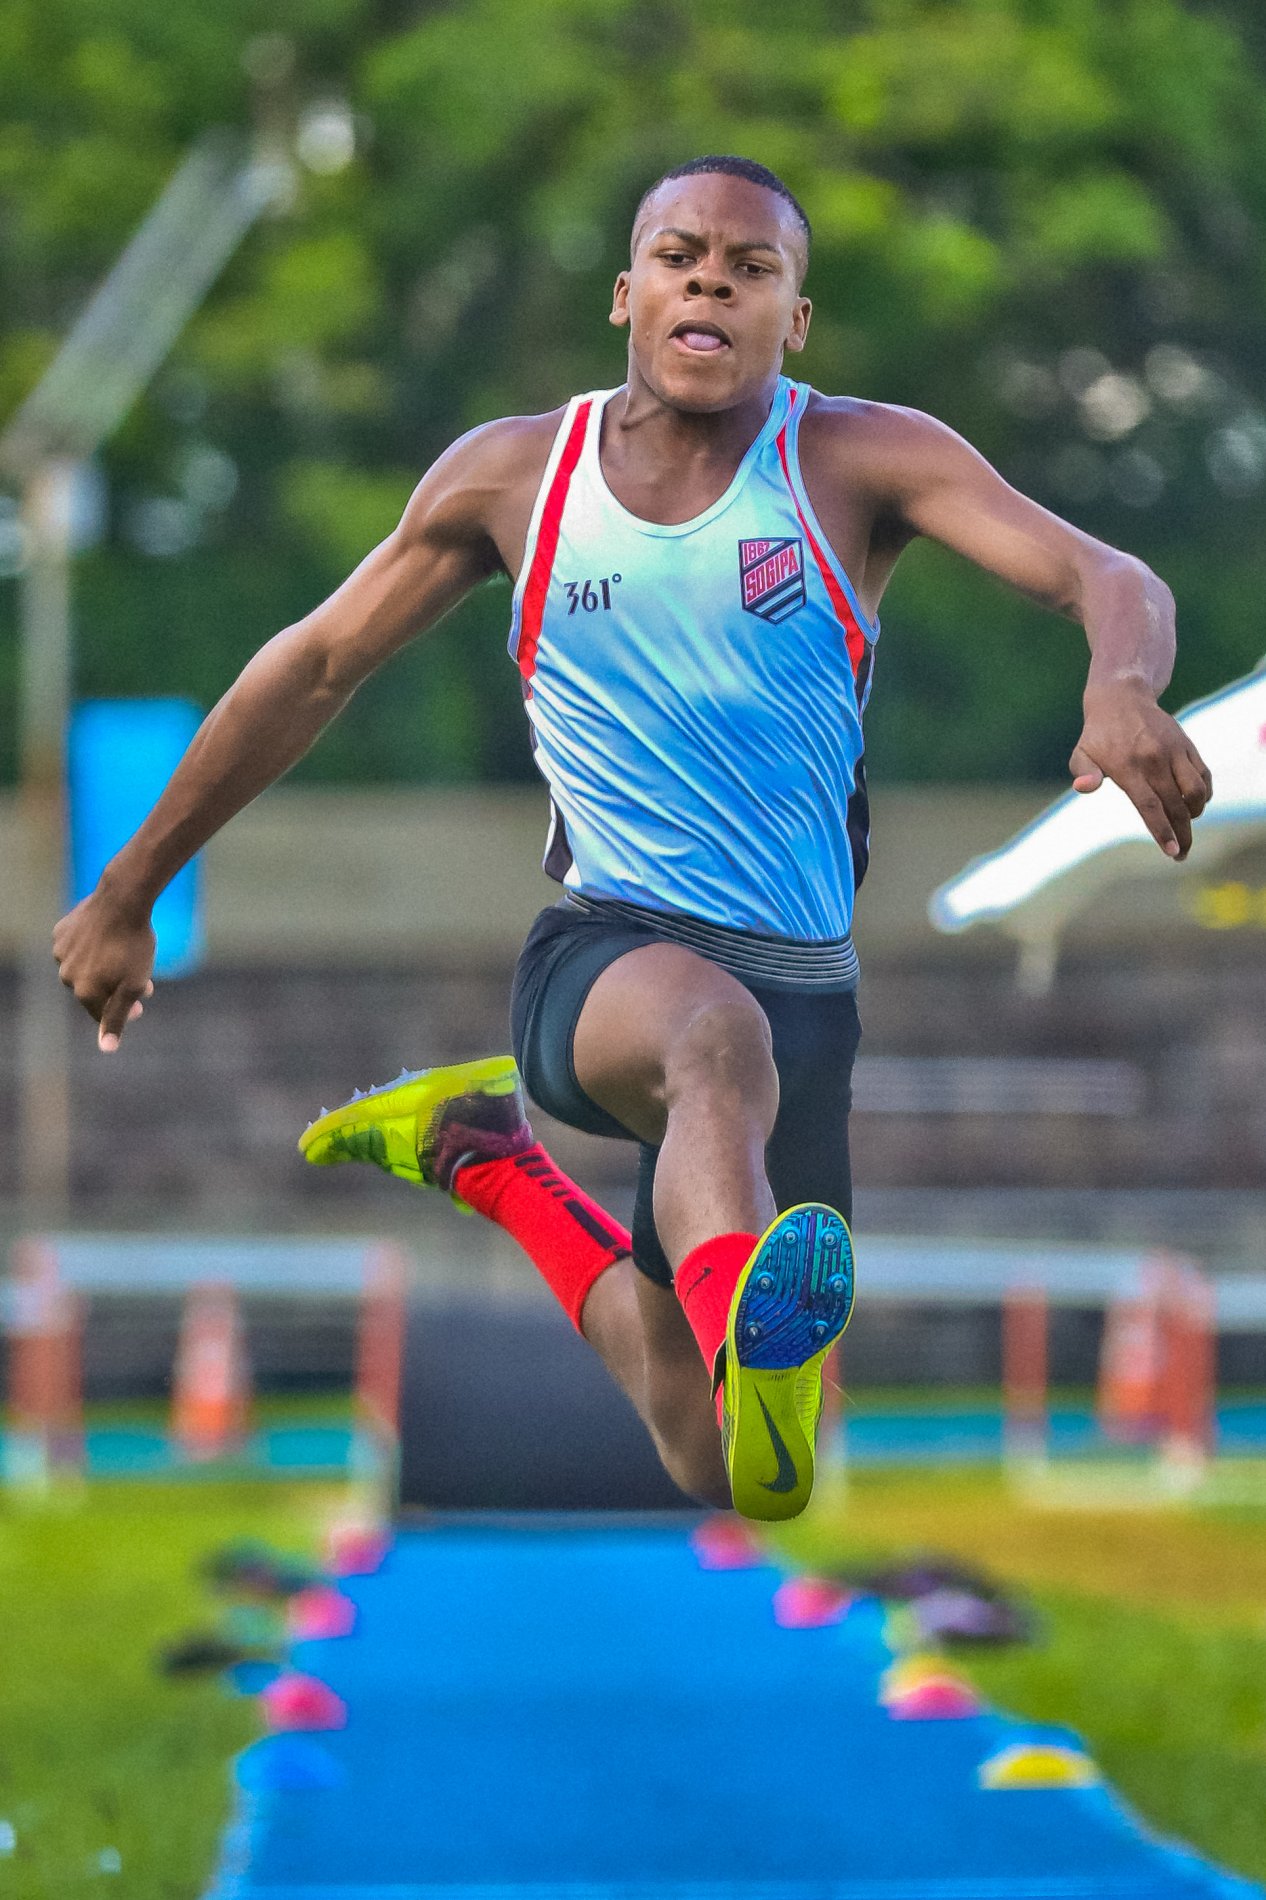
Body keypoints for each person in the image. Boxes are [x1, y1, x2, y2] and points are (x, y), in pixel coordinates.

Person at [53, 155, 1212, 1521]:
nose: (710, 275)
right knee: (704, 1042)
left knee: (733, 1465)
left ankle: (483, 1158)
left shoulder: (856, 460)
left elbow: (1104, 573)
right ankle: (741, 1315)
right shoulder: (513, 479)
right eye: (679, 254)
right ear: (626, 295)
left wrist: (1120, 681)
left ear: (796, 319)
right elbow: (310, 667)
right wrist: (129, 887)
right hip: (607, 957)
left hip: (809, 992)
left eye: (750, 264)